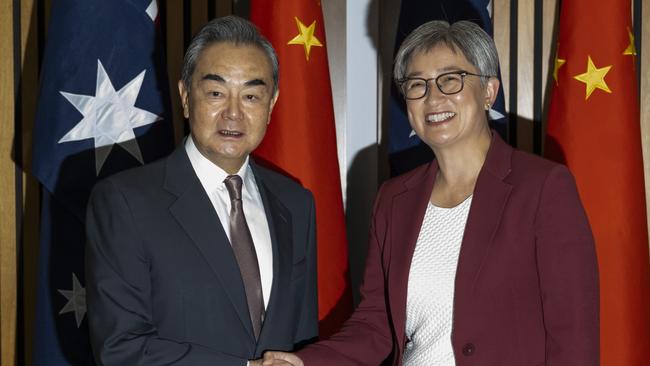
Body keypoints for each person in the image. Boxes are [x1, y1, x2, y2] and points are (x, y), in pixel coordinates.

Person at [264, 20, 599, 366]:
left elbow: (573, 334)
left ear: (489, 91)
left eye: (450, 80)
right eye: (417, 85)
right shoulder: (393, 199)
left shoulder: (543, 187)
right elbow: (375, 325)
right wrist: (306, 362)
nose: (433, 97)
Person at [85, 15, 318, 365]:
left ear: (271, 105)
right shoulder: (124, 202)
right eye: (215, 93)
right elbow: (120, 348)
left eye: (252, 95)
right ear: (184, 96)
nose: (234, 113)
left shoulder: (296, 203)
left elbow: (300, 339)